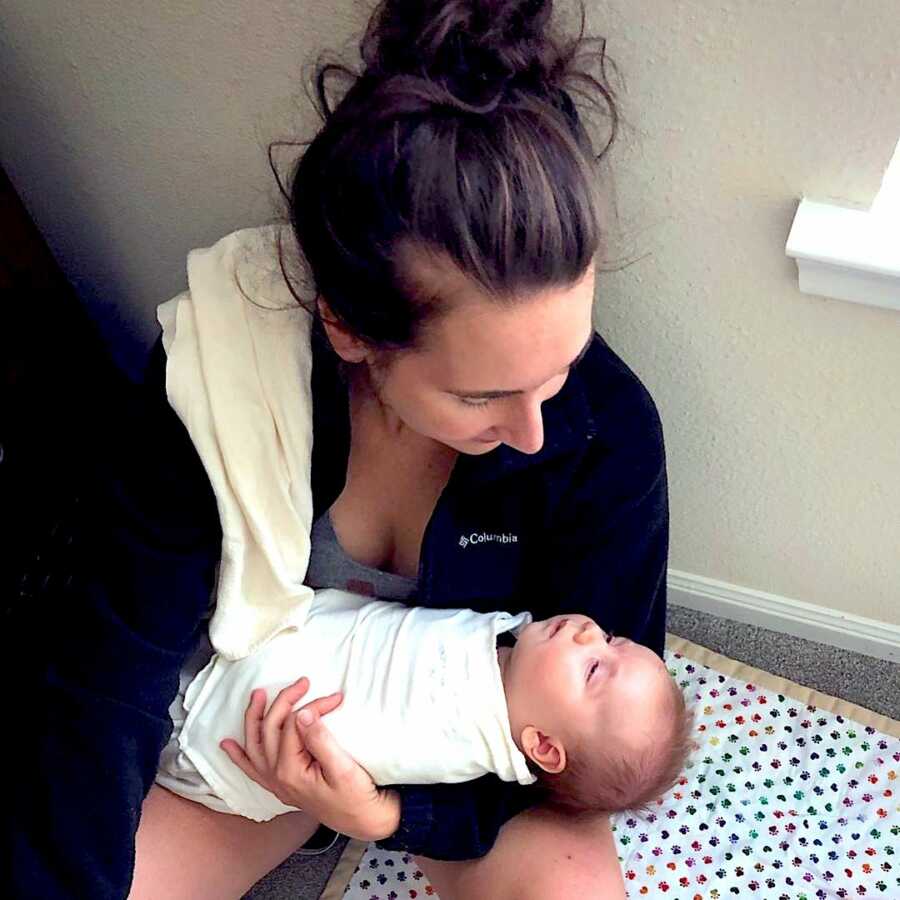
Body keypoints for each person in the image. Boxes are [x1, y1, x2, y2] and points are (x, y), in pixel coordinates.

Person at [10, 2, 671, 898]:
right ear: (351, 330)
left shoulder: (608, 434)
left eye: (560, 368)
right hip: (244, 747)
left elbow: (589, 745)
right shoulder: (224, 372)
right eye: (479, 394)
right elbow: (108, 675)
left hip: (451, 770)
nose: (533, 431)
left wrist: (388, 813)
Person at [155, 592, 691, 822]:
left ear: (543, 746)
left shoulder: (454, 722)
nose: (588, 633)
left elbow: (348, 728)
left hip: (210, 726)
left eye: (594, 668)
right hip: (250, 652)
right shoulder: (516, 661)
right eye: (612, 638)